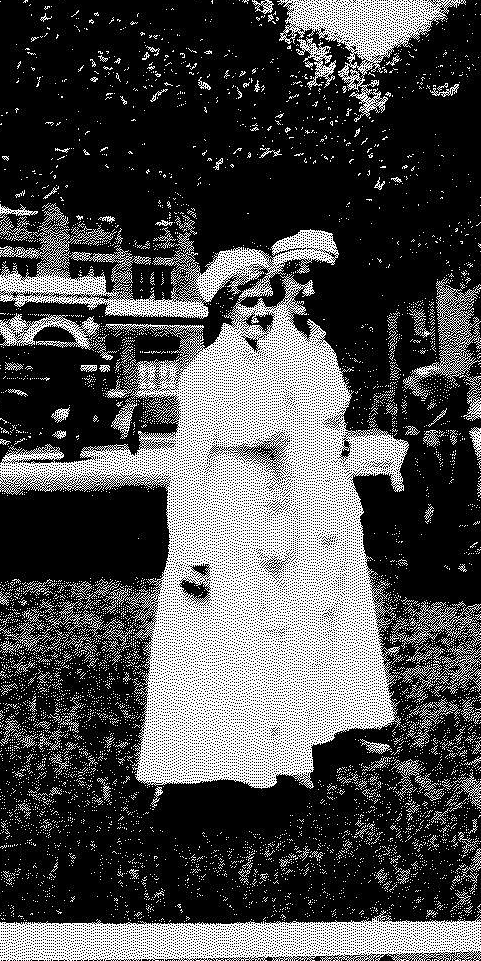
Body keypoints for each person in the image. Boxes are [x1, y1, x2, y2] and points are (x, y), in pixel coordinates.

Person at [136, 248, 357, 795]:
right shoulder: (209, 373)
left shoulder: (280, 366)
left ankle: (274, 760)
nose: (259, 312)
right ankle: (194, 766)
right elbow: (195, 463)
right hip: (223, 510)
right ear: (223, 309)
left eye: (265, 298)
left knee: (273, 636)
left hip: (274, 511)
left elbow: (311, 424)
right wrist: (189, 543)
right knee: (213, 637)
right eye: (244, 302)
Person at [266, 230, 402, 745]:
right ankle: (296, 719)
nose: (309, 289)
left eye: (318, 280)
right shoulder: (264, 341)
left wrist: (339, 447)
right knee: (292, 599)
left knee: (340, 596)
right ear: (276, 278)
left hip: (328, 479)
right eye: (299, 276)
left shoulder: (315, 338)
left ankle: (351, 712)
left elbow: (331, 409)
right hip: (286, 481)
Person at [399, 362, 481, 590]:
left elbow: (404, 423)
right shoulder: (452, 379)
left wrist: (417, 430)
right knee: (460, 501)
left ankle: (433, 562)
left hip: (430, 447)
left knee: (426, 503)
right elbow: (468, 411)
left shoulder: (413, 382)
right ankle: (458, 556)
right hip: (456, 443)